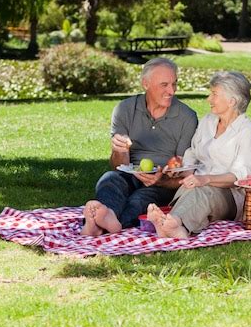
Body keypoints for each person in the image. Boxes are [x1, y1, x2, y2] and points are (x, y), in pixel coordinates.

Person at [81, 57, 198, 236]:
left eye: (174, 84)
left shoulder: (187, 117)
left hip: (162, 183)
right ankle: (106, 216)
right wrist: (120, 150)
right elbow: (117, 165)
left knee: (140, 199)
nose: (171, 91)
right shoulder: (125, 109)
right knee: (110, 179)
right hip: (131, 173)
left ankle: (105, 225)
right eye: (164, 85)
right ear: (145, 84)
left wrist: (162, 179)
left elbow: (184, 170)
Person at [147, 70, 251, 239]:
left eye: (214, 94)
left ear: (232, 101)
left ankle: (177, 224)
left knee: (202, 191)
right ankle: (172, 226)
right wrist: (180, 167)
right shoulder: (209, 121)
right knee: (193, 190)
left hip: (230, 195)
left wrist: (205, 179)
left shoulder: (247, 131)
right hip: (196, 187)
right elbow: (193, 152)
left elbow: (242, 176)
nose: (209, 99)